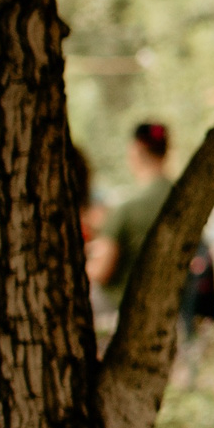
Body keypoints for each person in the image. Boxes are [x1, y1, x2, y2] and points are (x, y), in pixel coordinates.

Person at [87, 120, 174, 328]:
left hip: (122, 306)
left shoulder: (127, 210)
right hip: (170, 302)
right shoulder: (182, 199)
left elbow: (101, 271)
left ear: (135, 151)